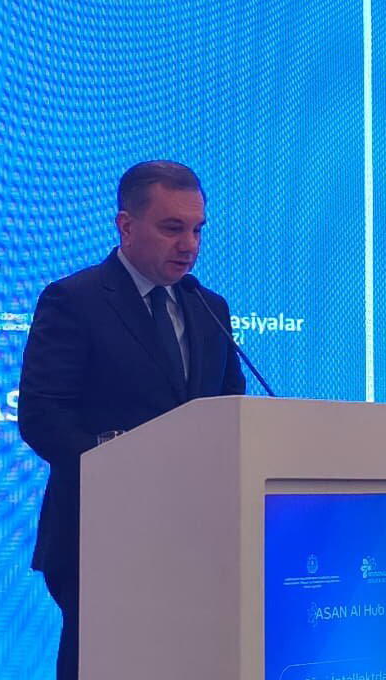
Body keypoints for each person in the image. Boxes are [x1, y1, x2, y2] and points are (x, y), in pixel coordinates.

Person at [18, 160, 245, 678]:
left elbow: (230, 408)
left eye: (197, 229)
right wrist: (121, 468)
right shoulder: (74, 301)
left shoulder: (209, 307)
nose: (189, 245)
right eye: (172, 228)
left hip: (196, 539)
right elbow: (42, 415)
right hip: (101, 538)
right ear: (126, 225)